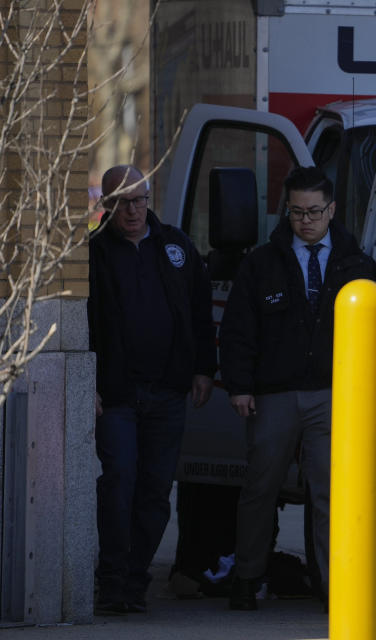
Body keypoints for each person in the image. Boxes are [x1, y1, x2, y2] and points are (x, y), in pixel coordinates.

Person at [219, 167, 376, 611]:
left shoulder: (356, 262)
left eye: (313, 212)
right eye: (295, 212)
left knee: (331, 493)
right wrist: (239, 387)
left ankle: (334, 586)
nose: (304, 221)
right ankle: (247, 578)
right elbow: (238, 331)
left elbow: (373, 333)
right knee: (259, 488)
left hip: (334, 396)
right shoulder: (261, 263)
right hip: (273, 395)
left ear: (331, 210)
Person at [88, 165, 216, 615]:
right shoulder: (94, 253)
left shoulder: (176, 246)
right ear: (106, 205)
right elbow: (86, 324)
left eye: (140, 199)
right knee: (118, 483)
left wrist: (204, 369)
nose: (134, 210)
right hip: (117, 396)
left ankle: (135, 581)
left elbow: (200, 312)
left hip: (167, 393)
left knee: (156, 491)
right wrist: (89, 385)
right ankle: (111, 581)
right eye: (123, 202)